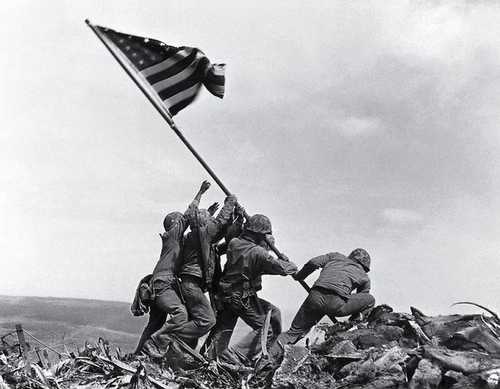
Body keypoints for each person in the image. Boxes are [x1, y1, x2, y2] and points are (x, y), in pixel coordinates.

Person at [136, 180, 211, 357]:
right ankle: (156, 344)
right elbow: (189, 214)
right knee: (181, 314)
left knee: (154, 324)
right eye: (179, 221)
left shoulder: (175, 240)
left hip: (160, 284)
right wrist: (200, 193)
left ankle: (138, 355)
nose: (182, 223)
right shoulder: (172, 235)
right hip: (163, 284)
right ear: (174, 223)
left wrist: (209, 215)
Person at [211, 214, 298, 365]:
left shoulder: (234, 243)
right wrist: (287, 262)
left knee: (274, 313)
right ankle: (237, 356)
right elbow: (284, 269)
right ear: (259, 234)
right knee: (266, 329)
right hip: (240, 296)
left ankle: (214, 354)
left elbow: (259, 265)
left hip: (227, 293)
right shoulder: (259, 253)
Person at [269, 248, 375, 360]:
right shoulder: (364, 277)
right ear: (365, 266)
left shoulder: (335, 256)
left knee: (293, 333)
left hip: (315, 297)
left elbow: (313, 263)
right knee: (370, 299)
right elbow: (361, 299)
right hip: (337, 304)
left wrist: (299, 276)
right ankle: (351, 327)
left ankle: (267, 358)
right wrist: (352, 321)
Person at [174, 193, 238, 349]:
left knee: (195, 320)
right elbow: (220, 221)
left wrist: (236, 219)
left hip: (190, 284)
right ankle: (168, 335)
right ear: (204, 223)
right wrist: (230, 202)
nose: (212, 221)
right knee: (207, 320)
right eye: (209, 219)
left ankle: (179, 352)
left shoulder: (195, 237)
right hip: (192, 285)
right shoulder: (203, 233)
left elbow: (220, 232)